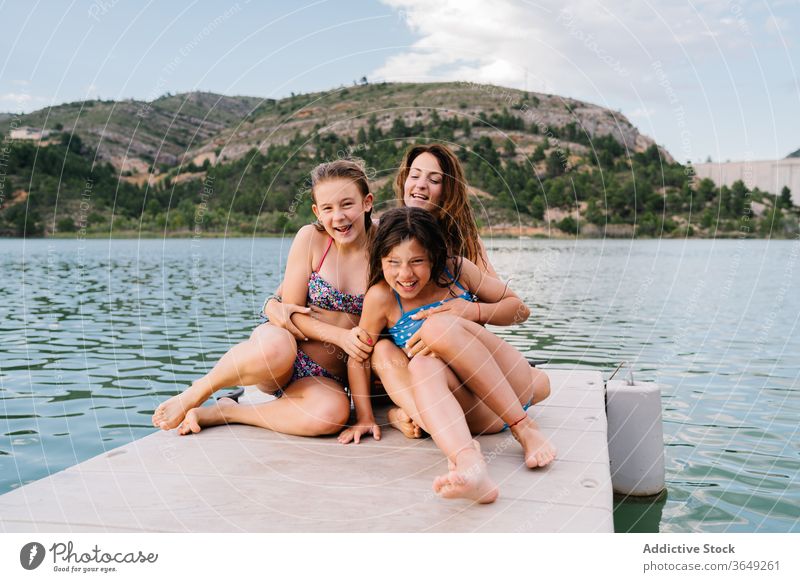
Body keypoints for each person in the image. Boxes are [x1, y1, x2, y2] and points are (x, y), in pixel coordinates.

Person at [341, 207, 556, 503]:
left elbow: (520, 310)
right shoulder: (381, 298)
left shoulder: (458, 271)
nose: (405, 274)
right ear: (380, 260)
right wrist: (365, 416)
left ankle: (525, 429)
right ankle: (469, 463)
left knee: (437, 328)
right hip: (469, 415)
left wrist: (471, 311)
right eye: (393, 263)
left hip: (506, 388)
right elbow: (359, 356)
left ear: (434, 256)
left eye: (417, 261)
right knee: (393, 353)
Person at [151, 159, 375, 436]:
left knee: (332, 414)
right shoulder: (311, 239)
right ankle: (198, 391)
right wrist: (340, 337)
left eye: (347, 204)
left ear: (367, 202)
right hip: (287, 354)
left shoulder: (385, 245)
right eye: (328, 208)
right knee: (277, 348)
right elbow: (289, 316)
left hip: (327, 376)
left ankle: (231, 412)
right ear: (317, 212)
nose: (338, 216)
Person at [371, 144, 551, 438]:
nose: (420, 185)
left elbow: (517, 310)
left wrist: (470, 310)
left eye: (434, 179)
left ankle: (426, 417)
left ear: (448, 190)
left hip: (461, 361)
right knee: (385, 351)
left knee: (541, 384)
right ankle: (405, 412)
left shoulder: (462, 251)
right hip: (410, 366)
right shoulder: (382, 234)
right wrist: (276, 303)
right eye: (414, 175)